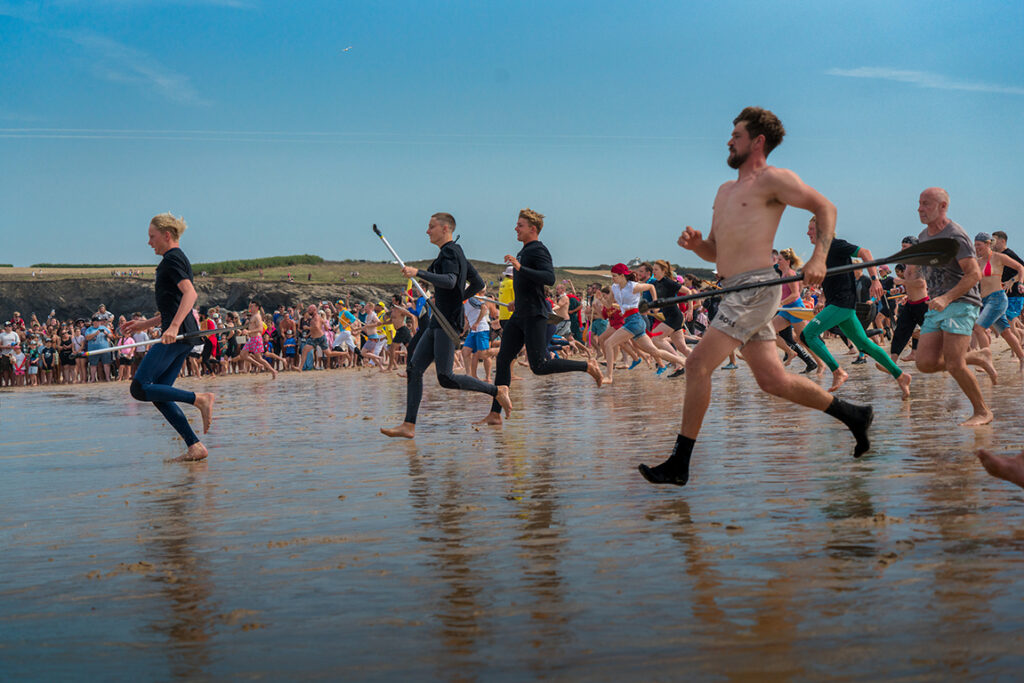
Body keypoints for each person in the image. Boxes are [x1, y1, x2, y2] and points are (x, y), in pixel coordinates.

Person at [639, 106, 874, 487]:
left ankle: (680, 464)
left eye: (737, 135)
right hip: (733, 288)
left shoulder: (773, 180)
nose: (729, 141)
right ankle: (854, 416)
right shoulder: (724, 191)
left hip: (756, 289)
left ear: (758, 141)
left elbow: (825, 207)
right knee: (772, 379)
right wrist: (698, 246)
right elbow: (716, 252)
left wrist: (818, 257)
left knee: (697, 365)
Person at [381, 213, 511, 439]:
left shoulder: (451, 252)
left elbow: (451, 281)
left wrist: (418, 273)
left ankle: (496, 390)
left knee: (446, 377)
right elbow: (478, 283)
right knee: (414, 369)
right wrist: (458, 300)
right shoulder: (454, 252)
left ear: (445, 228)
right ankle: (408, 425)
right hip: (439, 319)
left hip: (446, 321)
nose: (427, 231)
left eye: (431, 227)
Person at [477, 209, 603, 426]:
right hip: (520, 313)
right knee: (503, 359)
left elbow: (549, 278)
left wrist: (520, 268)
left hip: (535, 315)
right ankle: (495, 413)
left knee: (539, 366)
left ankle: (587, 366)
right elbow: (529, 285)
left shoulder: (538, 250)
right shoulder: (523, 251)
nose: (516, 228)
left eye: (520, 225)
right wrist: (517, 300)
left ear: (532, 229)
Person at [119, 212, 215, 462]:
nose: (149, 242)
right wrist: (145, 324)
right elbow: (174, 304)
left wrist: (172, 328)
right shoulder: (173, 259)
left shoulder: (172, 259)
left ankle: (199, 399)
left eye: (152, 236)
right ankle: (195, 446)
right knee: (159, 394)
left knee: (140, 388)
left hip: (178, 335)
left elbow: (190, 294)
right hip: (183, 334)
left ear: (167, 235)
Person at [798, 218, 912, 399]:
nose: (807, 233)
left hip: (842, 303)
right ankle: (901, 376)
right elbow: (827, 281)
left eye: (811, 229)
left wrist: (875, 280)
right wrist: (821, 298)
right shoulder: (822, 252)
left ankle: (837, 372)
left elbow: (865, 253)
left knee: (808, 334)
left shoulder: (835, 245)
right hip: (840, 304)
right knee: (864, 345)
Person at [910, 188, 996, 426]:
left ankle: (982, 411)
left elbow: (974, 274)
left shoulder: (955, 236)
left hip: (961, 301)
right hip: (936, 304)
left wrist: (947, 298)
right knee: (925, 363)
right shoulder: (923, 236)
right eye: (919, 203)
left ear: (943, 206)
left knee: (954, 363)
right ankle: (977, 356)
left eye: (926, 204)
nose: (919, 209)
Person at [602, 263, 688, 383]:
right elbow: (608, 305)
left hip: (635, 321)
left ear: (622, 276)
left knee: (608, 343)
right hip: (630, 321)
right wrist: (601, 299)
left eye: (614, 276)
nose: (612, 278)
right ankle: (682, 361)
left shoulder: (633, 286)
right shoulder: (614, 288)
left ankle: (609, 376)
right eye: (612, 276)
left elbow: (651, 287)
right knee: (654, 351)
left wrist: (655, 303)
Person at [971, 232, 1024, 370]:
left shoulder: (999, 257)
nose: (976, 248)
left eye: (979, 245)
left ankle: (986, 361)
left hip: (997, 298)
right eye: (975, 245)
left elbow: (1020, 267)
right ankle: (1022, 358)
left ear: (988, 243)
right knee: (1006, 332)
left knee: (978, 328)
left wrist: (1018, 282)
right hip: (984, 300)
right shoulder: (978, 262)